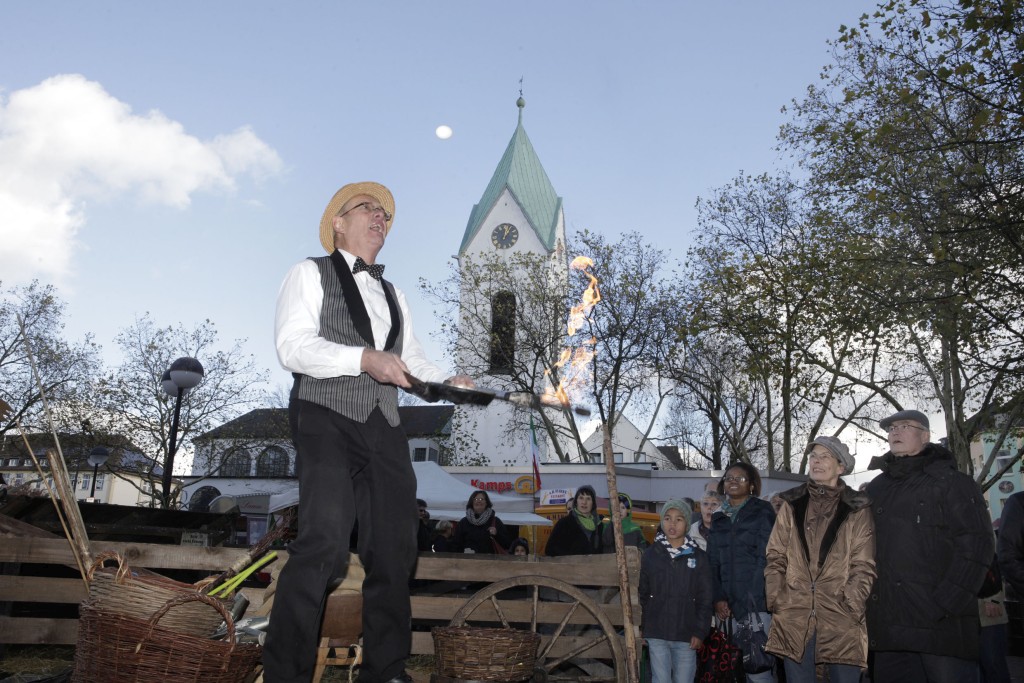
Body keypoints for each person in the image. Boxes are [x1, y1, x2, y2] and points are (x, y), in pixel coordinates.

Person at [265, 181, 472, 683]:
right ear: (338, 223)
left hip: (384, 425)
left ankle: (385, 672)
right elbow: (292, 347)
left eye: (385, 214)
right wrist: (362, 358)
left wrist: (446, 382)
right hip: (325, 415)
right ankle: (285, 675)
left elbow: (411, 361)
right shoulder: (308, 272)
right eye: (367, 208)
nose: (381, 216)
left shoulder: (394, 294)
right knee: (325, 543)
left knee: (397, 549)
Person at [865, 409, 994, 683]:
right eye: (891, 428)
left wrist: (947, 602)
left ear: (925, 436)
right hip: (888, 626)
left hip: (940, 627)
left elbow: (977, 545)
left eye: (904, 426)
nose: (895, 431)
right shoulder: (876, 487)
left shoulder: (952, 482)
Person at [764, 436, 875, 683]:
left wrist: (850, 604)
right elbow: (775, 555)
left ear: (841, 467)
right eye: (813, 456)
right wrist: (777, 597)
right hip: (794, 614)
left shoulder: (857, 507)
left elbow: (863, 565)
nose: (816, 461)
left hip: (840, 616)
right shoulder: (791, 502)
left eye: (825, 457)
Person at [706, 461, 777, 683]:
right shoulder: (718, 517)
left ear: (752, 485)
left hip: (756, 604)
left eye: (740, 478)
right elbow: (712, 562)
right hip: (727, 608)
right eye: (729, 478)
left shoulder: (763, 511)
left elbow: (767, 557)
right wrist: (718, 598)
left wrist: (751, 598)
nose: (733, 481)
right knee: (732, 671)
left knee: (758, 669)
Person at [639, 498, 713, 683]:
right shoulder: (650, 555)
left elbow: (705, 598)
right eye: (667, 518)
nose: (672, 524)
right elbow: (643, 594)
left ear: (687, 523)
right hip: (657, 632)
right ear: (662, 522)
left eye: (678, 519)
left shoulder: (699, 557)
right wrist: (642, 627)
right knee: (660, 679)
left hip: (686, 634)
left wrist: (700, 632)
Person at [546, 485, 603, 556]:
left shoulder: (599, 525)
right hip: (570, 563)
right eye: (581, 498)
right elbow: (549, 549)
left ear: (593, 503)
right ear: (576, 501)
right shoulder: (564, 523)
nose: (584, 502)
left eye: (588, 499)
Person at [452, 490, 512, 554]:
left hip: (490, 559)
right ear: (471, 503)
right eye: (475, 499)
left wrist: (497, 534)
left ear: (486, 503)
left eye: (481, 499)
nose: (479, 501)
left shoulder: (495, 521)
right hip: (468, 559)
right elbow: (456, 545)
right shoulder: (463, 523)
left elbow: (508, 544)